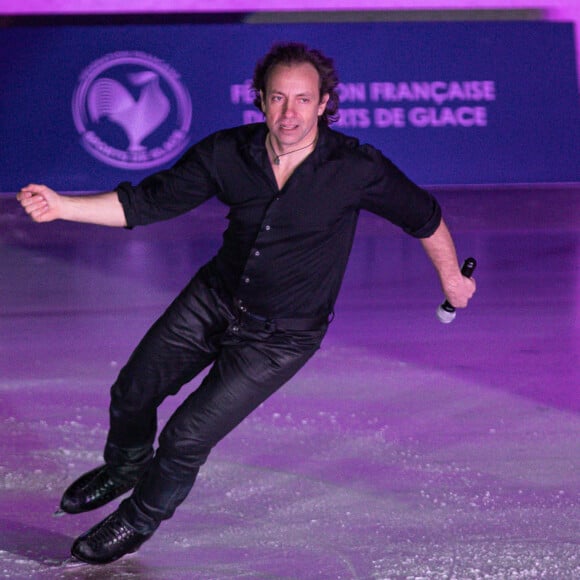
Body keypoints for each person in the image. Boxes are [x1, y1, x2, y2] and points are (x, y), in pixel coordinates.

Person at [17, 42, 475, 565]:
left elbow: (424, 216)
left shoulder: (355, 167)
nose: (290, 113)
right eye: (278, 98)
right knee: (133, 389)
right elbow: (146, 203)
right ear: (260, 99)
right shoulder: (227, 153)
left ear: (325, 102)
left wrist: (451, 281)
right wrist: (61, 205)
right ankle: (124, 467)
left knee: (186, 435)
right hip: (212, 301)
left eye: (303, 100)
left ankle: (138, 519)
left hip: (281, 338)